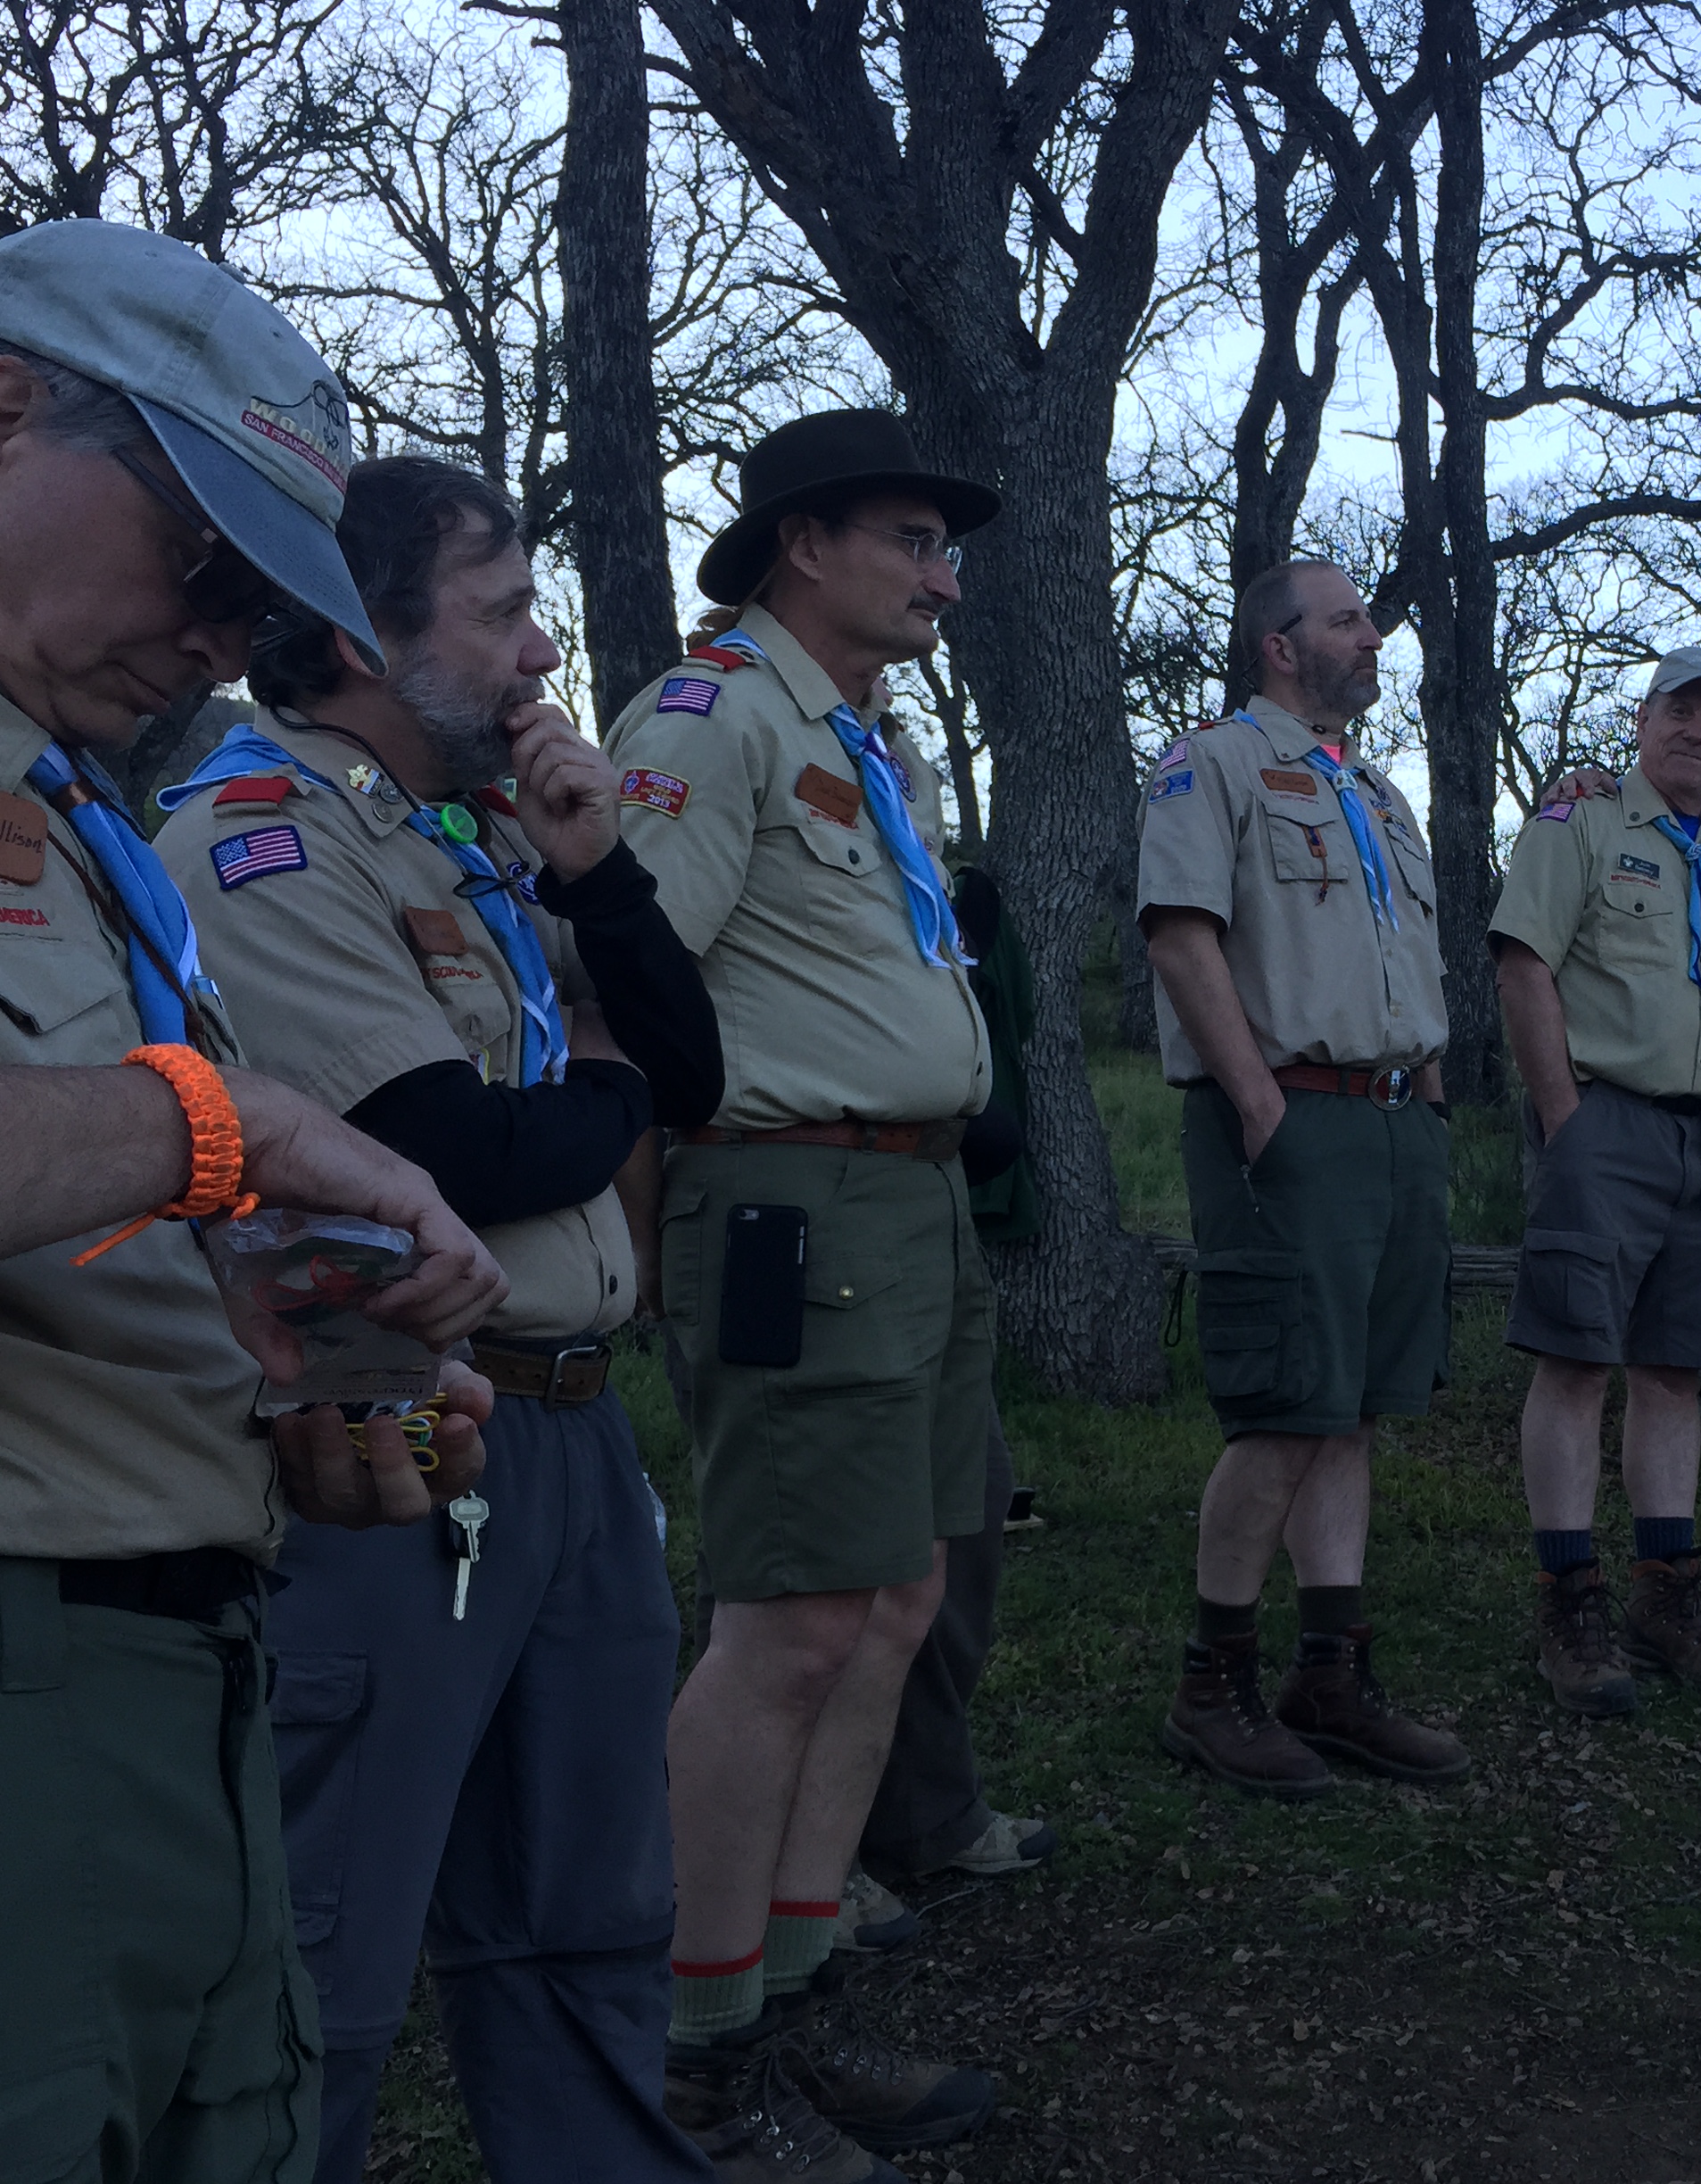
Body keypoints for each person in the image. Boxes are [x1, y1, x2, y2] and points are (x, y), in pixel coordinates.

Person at [0, 218, 503, 2181]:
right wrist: (240, 1129)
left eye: (259, 596)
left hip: (184, 1670)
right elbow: (184, 1130)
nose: (222, 637)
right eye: (203, 553)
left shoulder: (75, 809)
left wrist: (281, 1367)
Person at [153, 456, 723, 2182]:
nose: (542, 652)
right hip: (391, 1410)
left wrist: (597, 875)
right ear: (356, 636)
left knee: (588, 1903)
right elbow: (442, 1147)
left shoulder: (466, 838)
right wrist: (608, 1090)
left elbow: (687, 1067)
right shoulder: (256, 837)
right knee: (330, 1936)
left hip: (572, 1417)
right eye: (503, 612)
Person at [605, 409, 1000, 2173]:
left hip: (908, 1200)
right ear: (801, 543)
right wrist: (637, 1240)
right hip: (791, 1205)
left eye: (945, 548)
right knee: (792, 1626)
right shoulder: (711, 716)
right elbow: (624, 982)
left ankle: (790, 1983)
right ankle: (699, 2060)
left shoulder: (851, 738)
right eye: (912, 539)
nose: (942, 578)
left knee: (895, 1597)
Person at [1136, 558, 1470, 1799]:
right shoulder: (1209, 763)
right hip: (1288, 1118)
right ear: (1281, 646)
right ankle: (1211, 1681)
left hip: (1393, 1120)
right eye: (1346, 620)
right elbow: (1182, 935)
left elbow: (1410, 956)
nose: (1373, 635)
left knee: (1354, 1406)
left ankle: (1329, 1670)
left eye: (1369, 619)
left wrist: (1430, 1098)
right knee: (1284, 1407)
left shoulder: (1377, 792)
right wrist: (1260, 1105)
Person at [1490, 644, 1701, 1717]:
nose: (1697, 730)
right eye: (1678, 711)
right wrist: (1567, 1119)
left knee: (1677, 1372)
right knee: (1575, 1362)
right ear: (1643, 720)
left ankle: (1668, 1592)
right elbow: (1525, 962)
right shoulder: (1582, 821)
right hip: (1606, 1118)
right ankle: (1569, 1600)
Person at [840, 858, 1054, 1948]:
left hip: (930, 1186)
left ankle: (924, 1807)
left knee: (963, 1513)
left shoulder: (896, 794)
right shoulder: (719, 767)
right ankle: (800, 1865)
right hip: (814, 1186)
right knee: (821, 1563)